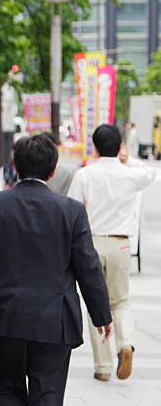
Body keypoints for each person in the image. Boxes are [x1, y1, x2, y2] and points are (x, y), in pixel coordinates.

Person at [0, 133, 113, 406]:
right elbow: (88, 267)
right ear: (53, 170)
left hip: (6, 317)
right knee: (48, 398)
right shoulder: (70, 211)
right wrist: (102, 315)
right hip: (54, 321)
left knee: (5, 388)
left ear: (14, 166)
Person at [67, 124, 155, 382]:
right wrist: (129, 159)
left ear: (94, 146)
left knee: (96, 302)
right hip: (120, 243)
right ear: (119, 147)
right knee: (121, 301)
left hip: (90, 243)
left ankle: (103, 366)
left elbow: (72, 209)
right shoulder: (128, 173)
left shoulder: (85, 175)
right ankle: (125, 343)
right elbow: (148, 173)